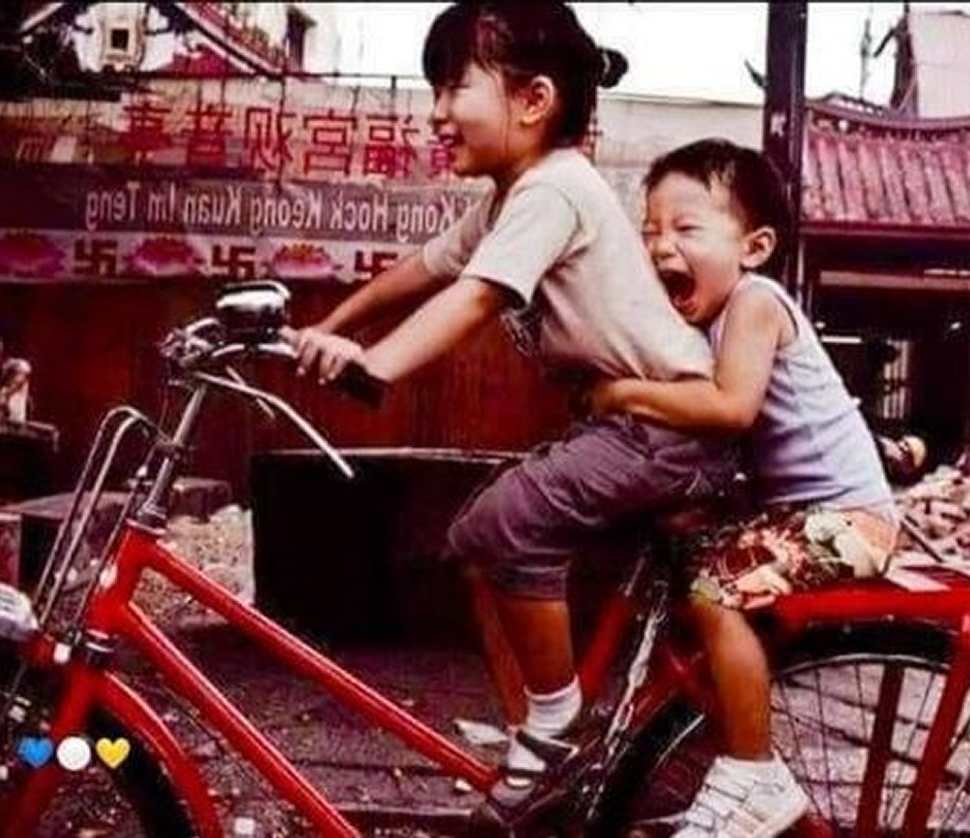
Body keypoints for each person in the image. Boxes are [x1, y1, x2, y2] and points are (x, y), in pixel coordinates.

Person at [286, 1, 737, 812]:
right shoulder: (509, 200)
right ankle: (545, 731)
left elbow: (474, 299)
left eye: (454, 86)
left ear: (532, 101)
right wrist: (331, 324)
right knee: (473, 541)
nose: (435, 111)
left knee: (508, 523)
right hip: (632, 426)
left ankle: (554, 726)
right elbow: (422, 271)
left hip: (668, 426)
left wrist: (376, 365)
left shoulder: (554, 191)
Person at [589, 138, 898, 837]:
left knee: (714, 592)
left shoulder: (756, 302)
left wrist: (623, 395)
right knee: (686, 569)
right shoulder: (714, 318)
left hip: (849, 519)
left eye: (687, 228)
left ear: (754, 247)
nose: (661, 246)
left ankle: (752, 776)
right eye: (651, 231)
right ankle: (716, 766)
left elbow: (732, 409)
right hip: (801, 514)